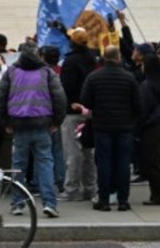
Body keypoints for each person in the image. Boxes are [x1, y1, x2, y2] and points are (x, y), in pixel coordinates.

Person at [0, 42, 66, 218]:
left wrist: (5, 122)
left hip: (19, 125)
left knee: (19, 165)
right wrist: (57, 121)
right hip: (42, 124)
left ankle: (17, 203)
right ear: (38, 54)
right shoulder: (47, 72)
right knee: (45, 163)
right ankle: (49, 203)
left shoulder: (11, 72)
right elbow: (60, 97)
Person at [77, 45, 142, 212]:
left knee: (104, 163)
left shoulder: (94, 77)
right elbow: (138, 104)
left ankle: (104, 200)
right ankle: (123, 201)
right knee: (123, 163)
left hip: (102, 126)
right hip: (124, 126)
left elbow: (86, 101)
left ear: (104, 57)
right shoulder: (129, 78)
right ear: (118, 57)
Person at [57, 27, 97, 202]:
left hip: (73, 111)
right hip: (89, 110)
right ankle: (89, 187)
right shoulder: (92, 58)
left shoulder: (70, 62)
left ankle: (71, 188)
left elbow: (66, 87)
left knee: (73, 152)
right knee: (88, 151)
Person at [135, 51, 160, 206]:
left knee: (154, 162)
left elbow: (143, 109)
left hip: (152, 128)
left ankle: (157, 195)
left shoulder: (146, 86)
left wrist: (137, 130)